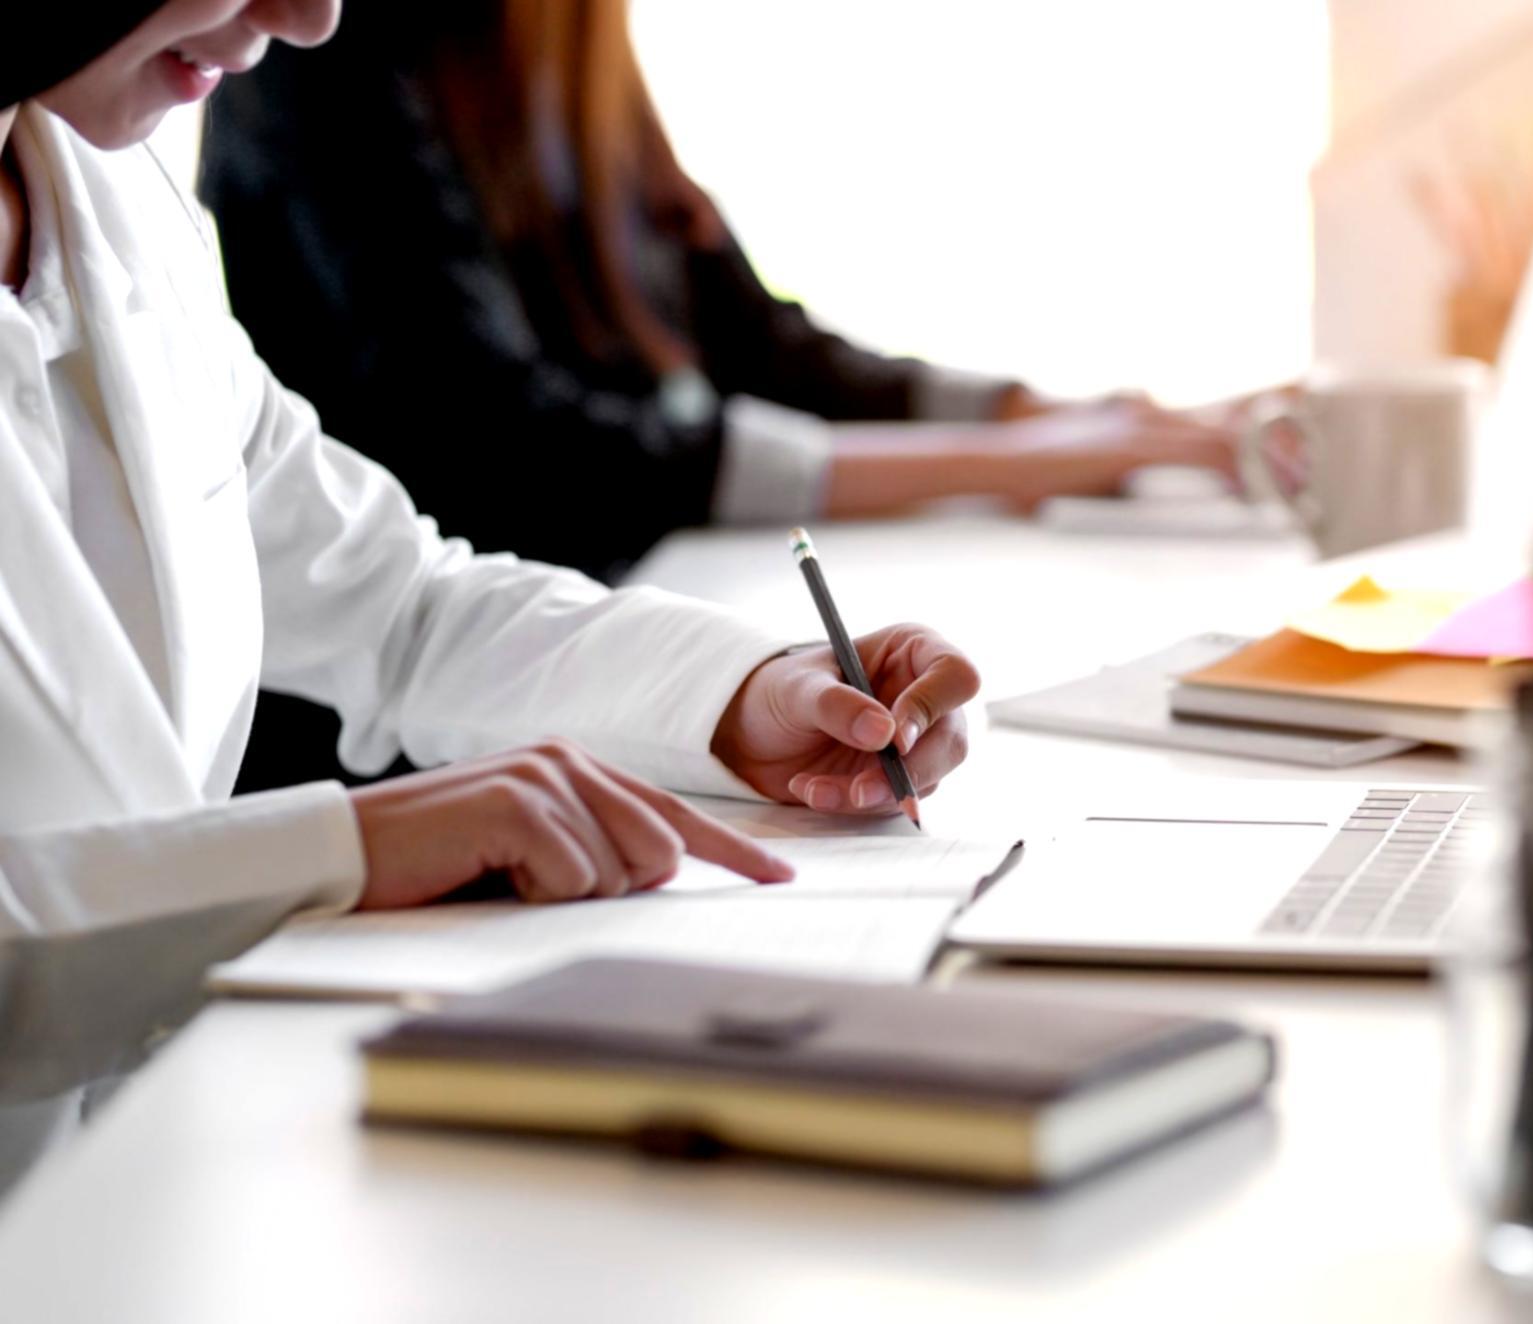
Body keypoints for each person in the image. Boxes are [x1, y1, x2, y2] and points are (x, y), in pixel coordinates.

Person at [0, 0, 980, 1194]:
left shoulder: (112, 202)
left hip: (144, 1191)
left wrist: (746, 696)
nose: (312, 18)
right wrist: (333, 852)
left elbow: (400, 607)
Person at [197, 0, 1244, 585]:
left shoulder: (569, 52)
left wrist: (1060, 417)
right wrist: (1005, 463)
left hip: (610, 612)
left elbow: (761, 344)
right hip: (448, 668)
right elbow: (510, 447)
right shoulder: (315, 53)